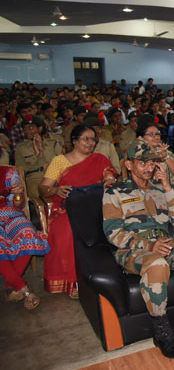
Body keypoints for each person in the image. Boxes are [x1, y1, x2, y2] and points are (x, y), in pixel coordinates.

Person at [103, 139, 174, 359]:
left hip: (164, 243)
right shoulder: (115, 192)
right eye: (142, 162)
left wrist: (168, 188)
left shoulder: (160, 190)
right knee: (156, 262)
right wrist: (148, 245)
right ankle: (162, 331)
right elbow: (112, 233)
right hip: (132, 250)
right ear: (129, 165)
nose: (149, 167)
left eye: (152, 162)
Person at [39, 124, 118, 297]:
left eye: (93, 139)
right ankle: (73, 282)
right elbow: (44, 188)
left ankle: (109, 273)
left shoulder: (99, 159)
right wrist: (56, 190)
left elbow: (109, 175)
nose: (91, 143)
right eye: (86, 139)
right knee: (67, 230)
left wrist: (110, 180)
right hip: (67, 209)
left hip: (97, 207)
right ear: (74, 141)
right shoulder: (60, 161)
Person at [0, 165, 50, 310]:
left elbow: (18, 203)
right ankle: (25, 289)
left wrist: (18, 194)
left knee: (27, 233)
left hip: (11, 214)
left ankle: (12, 287)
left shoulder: (8, 173)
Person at [14, 116, 63, 199]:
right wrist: (35, 156)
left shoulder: (53, 143)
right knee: (38, 199)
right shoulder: (21, 147)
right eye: (24, 129)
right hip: (34, 178)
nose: (27, 131)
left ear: (40, 128)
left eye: (30, 128)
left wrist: (41, 148)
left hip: (54, 177)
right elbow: (20, 170)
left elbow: (58, 162)